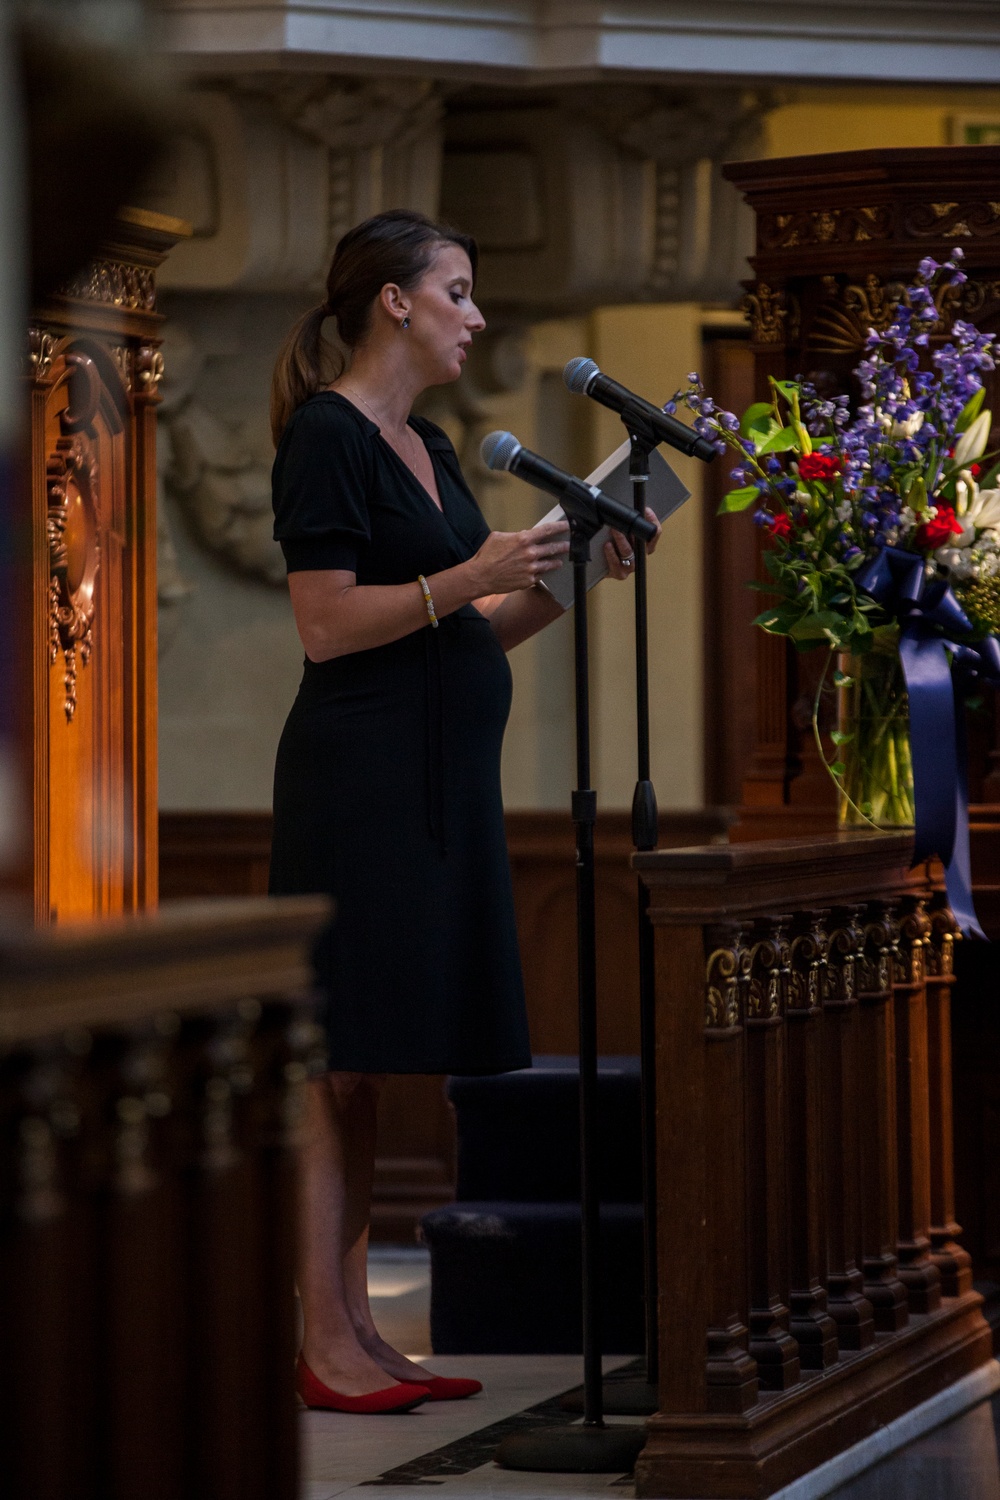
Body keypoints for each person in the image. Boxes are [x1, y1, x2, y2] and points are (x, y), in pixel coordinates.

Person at [268, 210, 661, 1415]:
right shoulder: (326, 439)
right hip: (362, 788)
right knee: (336, 1065)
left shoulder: (429, 445)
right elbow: (328, 626)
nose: (475, 315)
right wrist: (467, 574)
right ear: (394, 300)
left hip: (441, 786)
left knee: (377, 1065)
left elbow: (469, 629)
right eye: (458, 290)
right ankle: (321, 1342)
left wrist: (569, 576)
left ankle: (358, 1339)